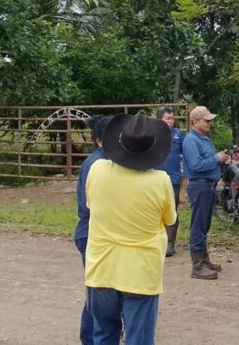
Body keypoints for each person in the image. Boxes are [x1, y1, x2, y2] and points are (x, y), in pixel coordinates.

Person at [85, 114, 177, 345]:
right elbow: (170, 220)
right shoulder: (161, 181)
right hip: (140, 272)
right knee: (139, 338)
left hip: (101, 268)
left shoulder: (96, 170)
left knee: (104, 334)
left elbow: (90, 205)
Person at [181, 105, 230, 280]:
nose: (210, 122)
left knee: (204, 225)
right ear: (195, 122)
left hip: (207, 186)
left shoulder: (203, 139)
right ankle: (197, 266)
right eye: (206, 120)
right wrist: (216, 158)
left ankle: (204, 260)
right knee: (198, 226)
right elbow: (195, 165)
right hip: (199, 186)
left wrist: (221, 159)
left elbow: (207, 160)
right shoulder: (191, 141)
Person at [75, 114, 111, 344]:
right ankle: (90, 337)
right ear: (99, 140)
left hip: (94, 232)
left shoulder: (104, 160)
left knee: (100, 291)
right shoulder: (97, 164)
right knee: (97, 292)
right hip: (92, 233)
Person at [154, 106, 185, 257]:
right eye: (168, 119)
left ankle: (170, 242)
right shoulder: (152, 135)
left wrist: (185, 182)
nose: (171, 122)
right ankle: (156, 240)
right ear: (160, 119)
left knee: (171, 210)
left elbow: (184, 157)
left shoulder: (179, 135)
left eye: (172, 118)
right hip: (154, 179)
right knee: (155, 209)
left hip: (173, 179)